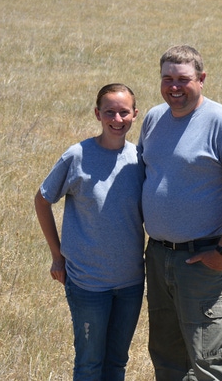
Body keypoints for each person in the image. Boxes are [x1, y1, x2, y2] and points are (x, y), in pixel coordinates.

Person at [138, 45, 222, 380]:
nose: (174, 87)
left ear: (202, 79)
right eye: (167, 78)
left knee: (211, 361)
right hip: (159, 256)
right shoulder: (153, 118)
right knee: (167, 357)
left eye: (183, 79)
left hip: (200, 260)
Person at [34, 83, 146, 380]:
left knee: (116, 363)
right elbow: (42, 199)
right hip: (88, 283)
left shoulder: (140, 159)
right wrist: (57, 256)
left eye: (124, 112)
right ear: (97, 114)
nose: (117, 119)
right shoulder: (77, 156)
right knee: (89, 364)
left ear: (135, 115)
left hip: (131, 283)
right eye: (109, 112)